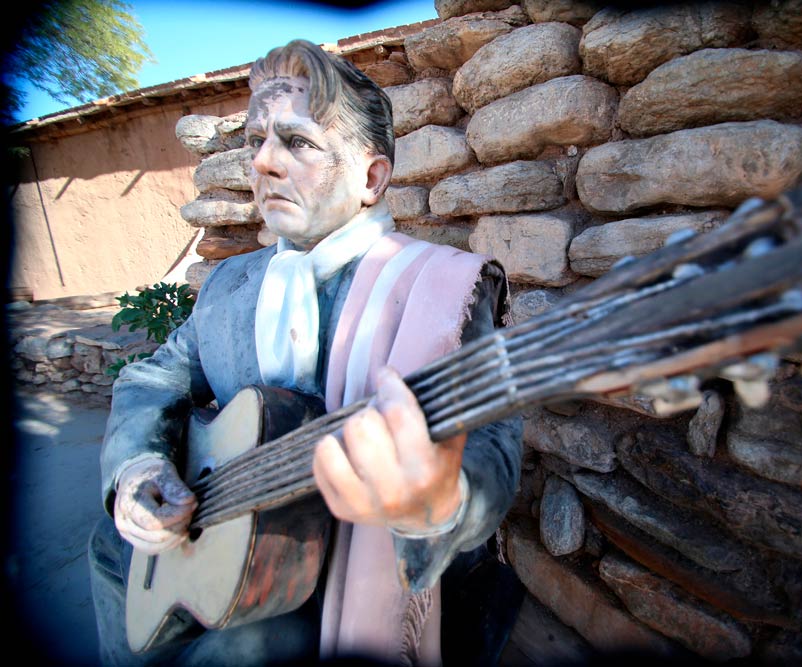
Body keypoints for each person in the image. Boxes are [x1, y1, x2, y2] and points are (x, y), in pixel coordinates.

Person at [89, 39, 523, 666]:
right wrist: (138, 466)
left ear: (371, 178)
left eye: (297, 142)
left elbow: (493, 445)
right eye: (256, 140)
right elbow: (156, 379)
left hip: (362, 582)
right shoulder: (229, 283)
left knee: (253, 648)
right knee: (111, 547)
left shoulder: (444, 289)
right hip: (229, 548)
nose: (264, 162)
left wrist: (439, 499)